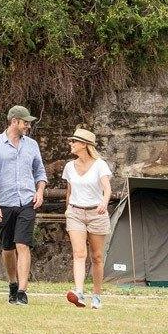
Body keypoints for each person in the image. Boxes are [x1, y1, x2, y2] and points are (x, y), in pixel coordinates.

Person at [0, 104, 46, 304]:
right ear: (14, 122)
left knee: (23, 244)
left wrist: (40, 191)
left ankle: (21, 291)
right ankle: (12, 283)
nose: (28, 125)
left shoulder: (32, 145)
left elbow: (40, 172)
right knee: (8, 248)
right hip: (4, 203)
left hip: (27, 202)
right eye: (25, 122)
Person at [62, 128, 113, 309]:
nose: (71, 144)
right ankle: (79, 292)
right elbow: (69, 192)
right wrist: (68, 209)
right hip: (75, 213)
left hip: (96, 214)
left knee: (97, 257)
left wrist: (104, 203)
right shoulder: (69, 166)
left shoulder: (100, 164)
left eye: (74, 141)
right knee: (79, 253)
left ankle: (97, 295)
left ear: (84, 145)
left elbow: (107, 189)